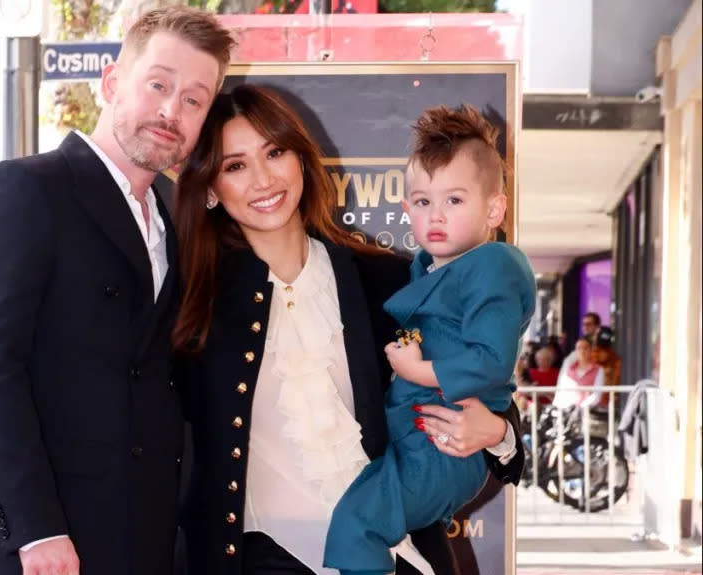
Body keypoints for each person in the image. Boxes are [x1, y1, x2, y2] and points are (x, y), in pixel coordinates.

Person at [172, 85, 524, 575]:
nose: (263, 178)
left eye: (275, 152)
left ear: (301, 159)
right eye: (235, 165)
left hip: (398, 555)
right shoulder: (190, 304)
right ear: (210, 187)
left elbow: (487, 381)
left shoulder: (387, 281)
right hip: (259, 560)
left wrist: (498, 433)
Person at [0, 7, 235, 575]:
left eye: (194, 100)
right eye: (158, 85)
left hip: (143, 539)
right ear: (110, 83)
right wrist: (36, 529)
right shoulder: (26, 188)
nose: (172, 110)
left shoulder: (183, 218)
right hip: (46, 547)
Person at [323, 104, 536, 575]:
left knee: (356, 526)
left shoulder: (490, 266)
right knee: (359, 522)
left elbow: (491, 364)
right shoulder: (427, 267)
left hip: (437, 445)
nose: (435, 216)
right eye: (423, 202)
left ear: (494, 209)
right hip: (405, 439)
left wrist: (499, 433)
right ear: (407, 209)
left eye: (454, 201)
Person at [553, 336, 605, 410]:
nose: (582, 351)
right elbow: (562, 392)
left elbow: (597, 395)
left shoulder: (599, 370)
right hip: (568, 412)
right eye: (579, 348)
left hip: (588, 412)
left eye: (585, 348)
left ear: (591, 350)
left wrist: (581, 407)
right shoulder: (569, 369)